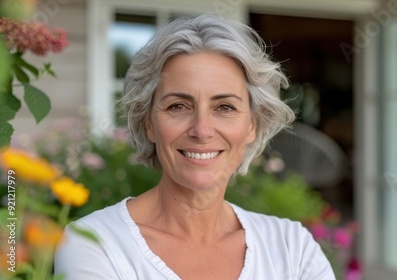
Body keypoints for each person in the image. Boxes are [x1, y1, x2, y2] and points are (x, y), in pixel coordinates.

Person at [55, 14, 336, 280]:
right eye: (178, 106)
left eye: (224, 107)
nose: (201, 130)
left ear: (252, 125)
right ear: (149, 122)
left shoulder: (293, 249)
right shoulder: (94, 243)